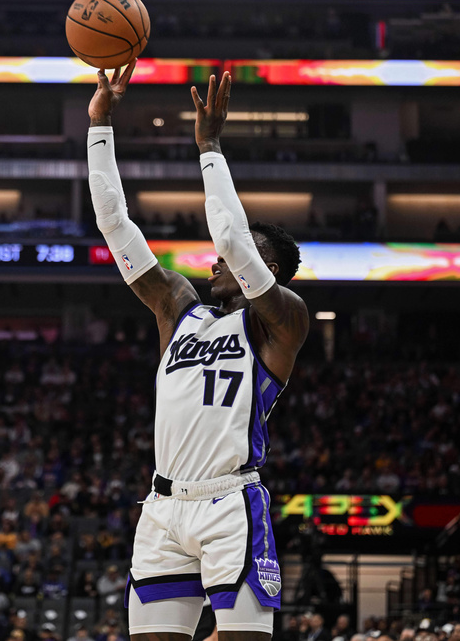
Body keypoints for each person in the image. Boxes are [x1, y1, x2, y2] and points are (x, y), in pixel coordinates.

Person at [86, 62, 308, 640]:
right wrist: (100, 128)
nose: (215, 261)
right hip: (162, 507)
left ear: (270, 271)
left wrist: (209, 144)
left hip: (230, 504)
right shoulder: (179, 309)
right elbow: (116, 226)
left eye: (242, 258)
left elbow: (231, 239)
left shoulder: (282, 321)